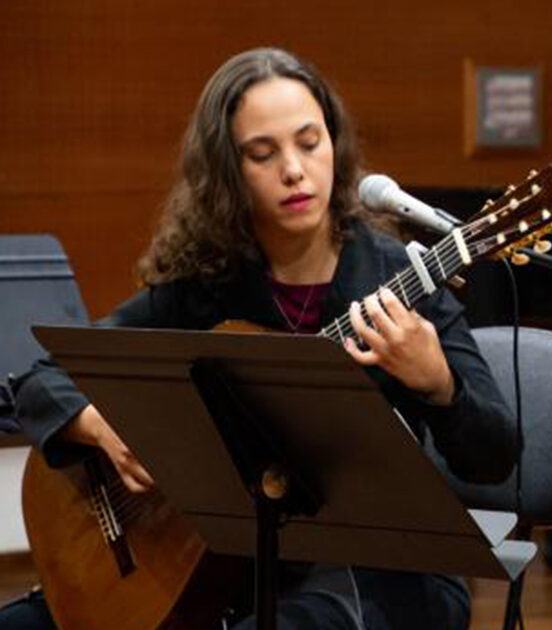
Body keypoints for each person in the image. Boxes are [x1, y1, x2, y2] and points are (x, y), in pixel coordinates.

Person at [2, 47, 518, 630]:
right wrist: (102, 427)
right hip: (228, 569)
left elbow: (495, 454)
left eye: (309, 141)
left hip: (378, 577)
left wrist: (438, 382)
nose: (294, 170)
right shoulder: (208, 288)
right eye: (262, 153)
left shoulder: (399, 283)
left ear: (335, 145)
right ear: (228, 171)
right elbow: (41, 380)